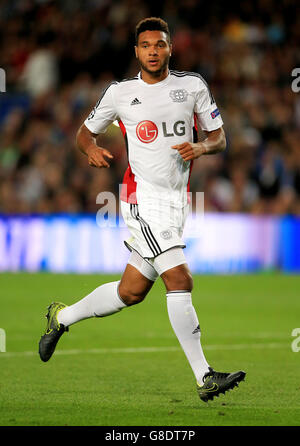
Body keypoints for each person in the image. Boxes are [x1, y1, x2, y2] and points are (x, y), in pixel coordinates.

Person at [39, 17, 246, 403]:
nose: (153, 51)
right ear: (136, 51)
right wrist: (91, 150)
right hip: (141, 200)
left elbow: (219, 138)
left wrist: (201, 147)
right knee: (180, 279)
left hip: (176, 202)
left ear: (170, 48)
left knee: (130, 292)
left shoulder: (192, 86)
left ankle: (61, 317)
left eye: (160, 44)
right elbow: (85, 133)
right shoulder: (120, 93)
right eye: (146, 45)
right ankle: (205, 376)